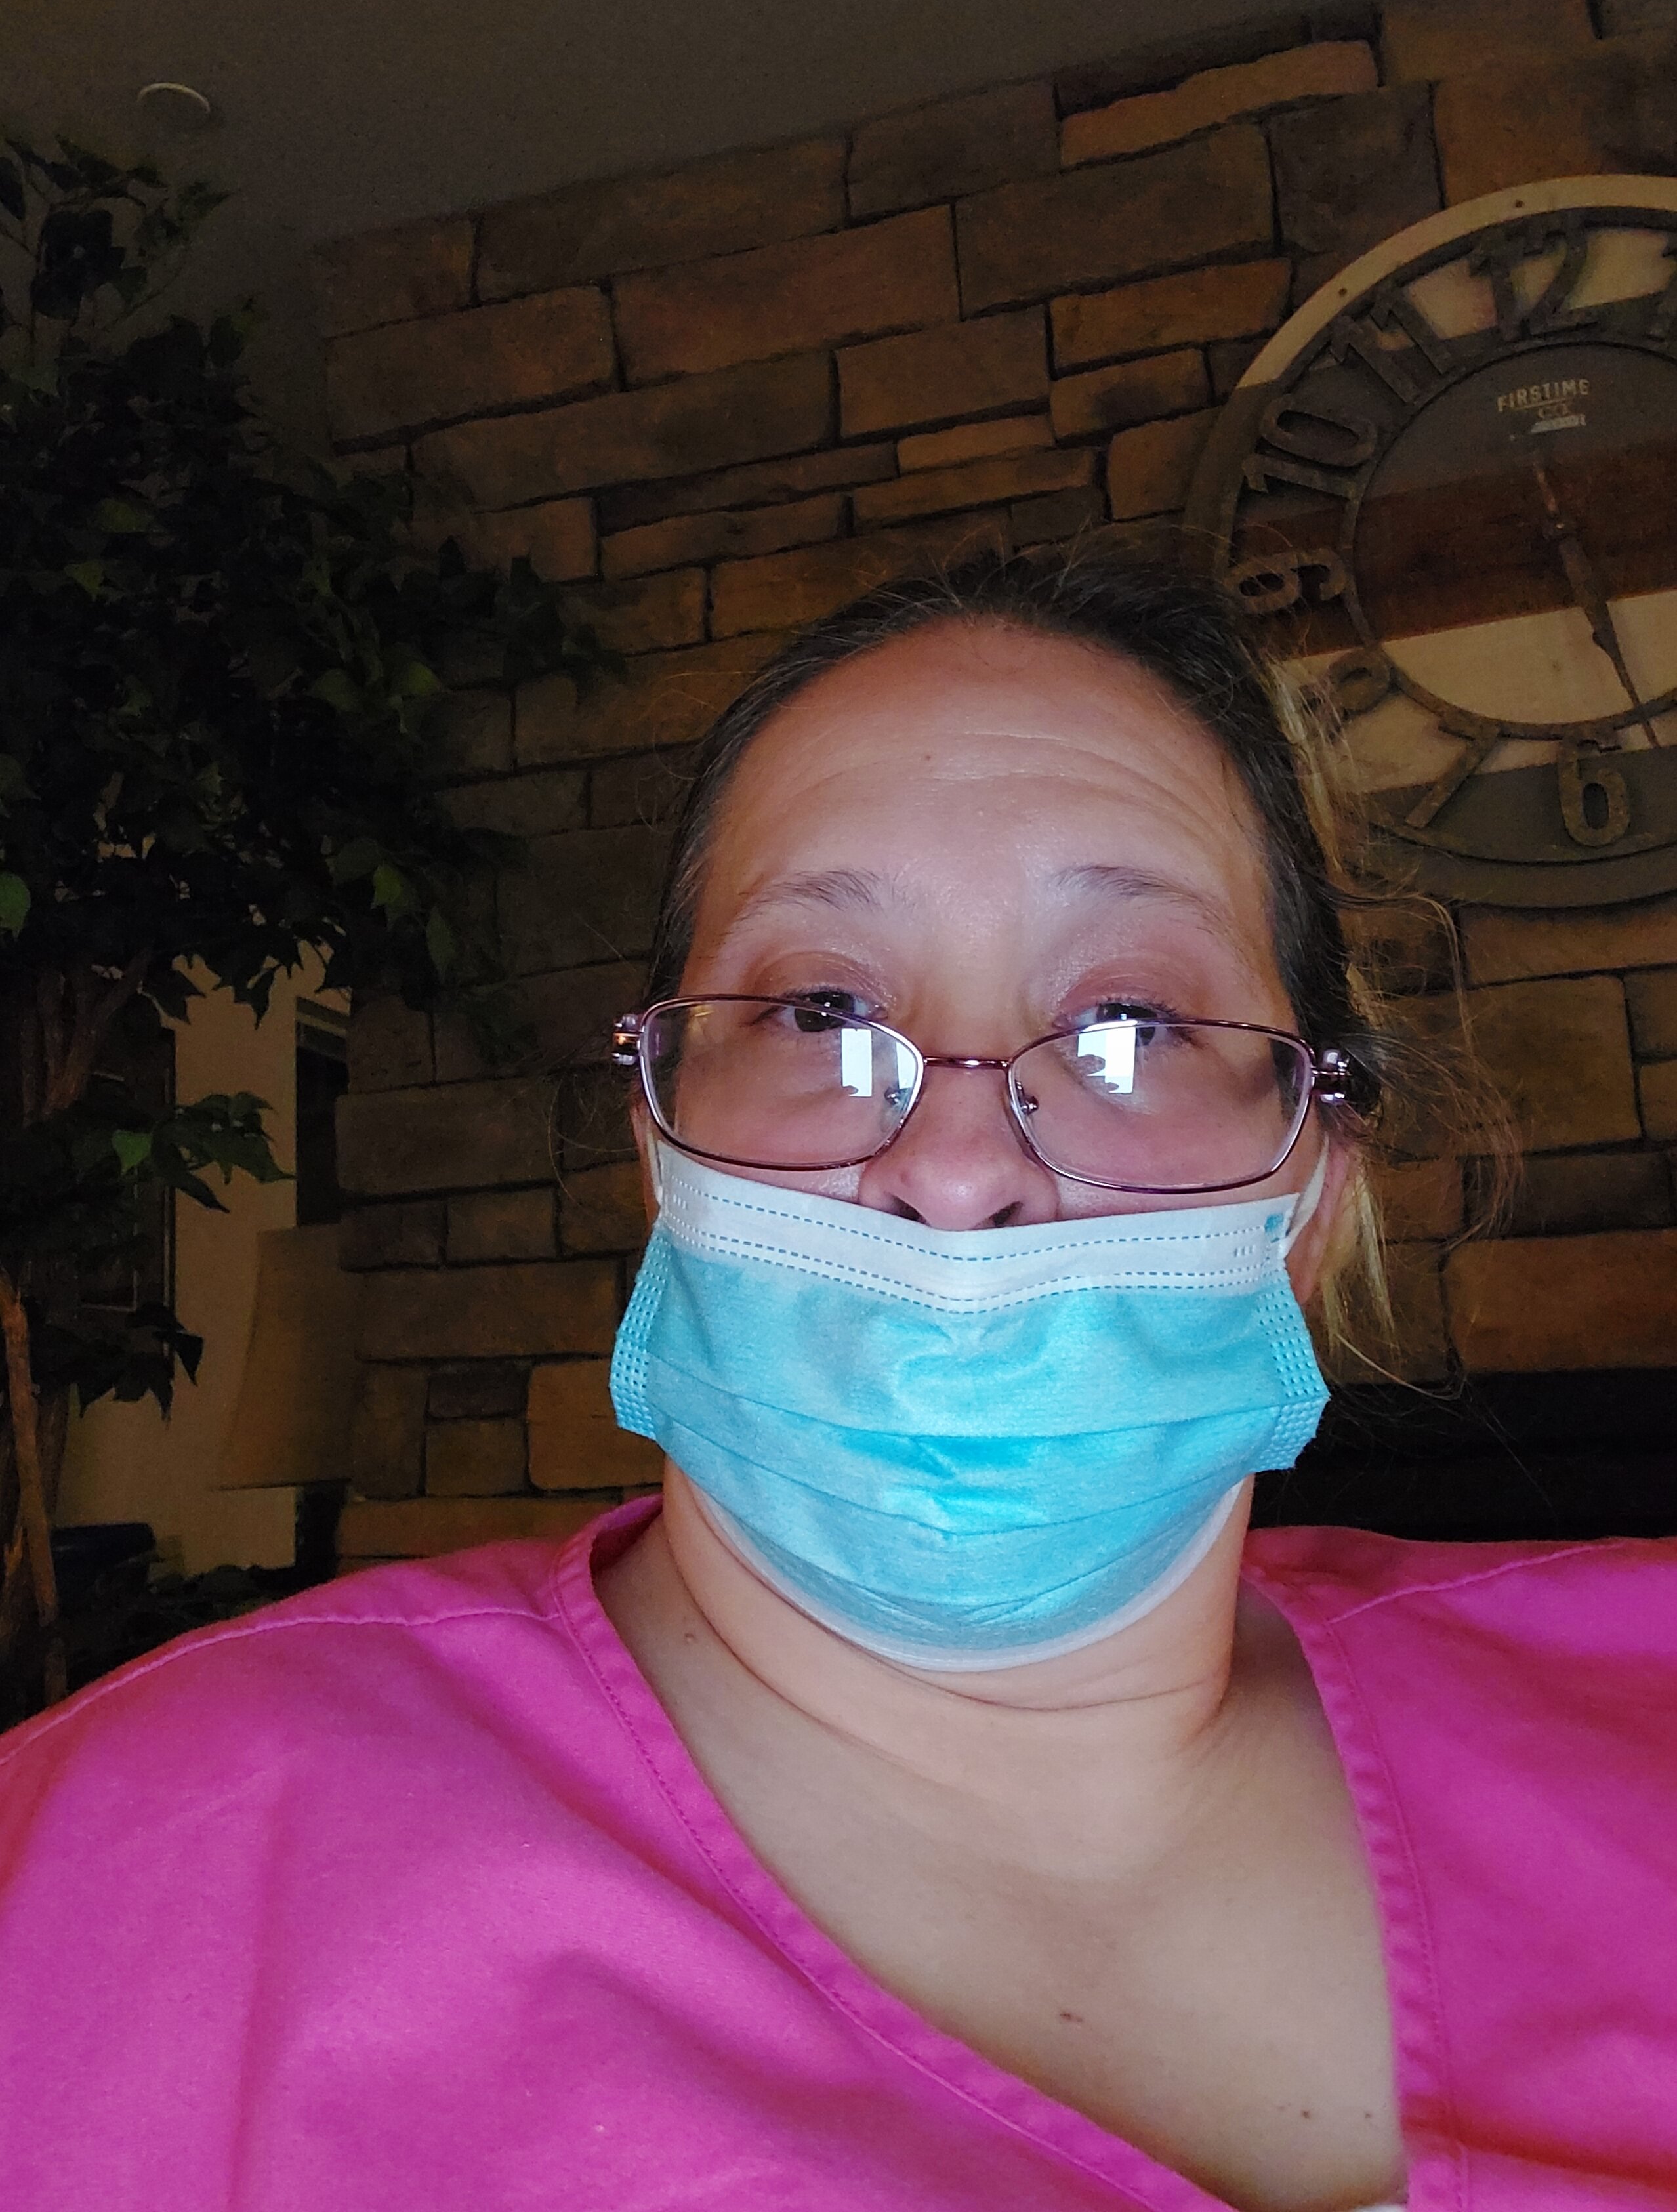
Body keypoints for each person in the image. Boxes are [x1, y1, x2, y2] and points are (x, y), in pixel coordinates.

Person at [1, 548, 1674, 2212]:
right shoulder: (134, 1867)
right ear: (662, 1156)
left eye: (1130, 1027)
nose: (956, 1170)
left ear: (1309, 1193)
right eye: (818, 1010)